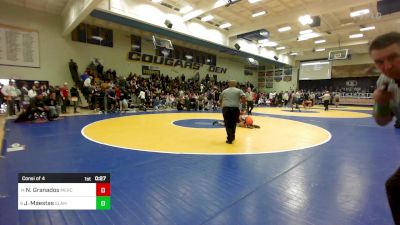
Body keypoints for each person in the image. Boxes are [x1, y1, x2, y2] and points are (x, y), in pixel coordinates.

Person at [369, 32, 400, 225]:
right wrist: (381, 104)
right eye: (379, 62)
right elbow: (382, 121)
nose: (387, 66)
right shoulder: (384, 82)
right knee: (395, 187)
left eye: (393, 57)